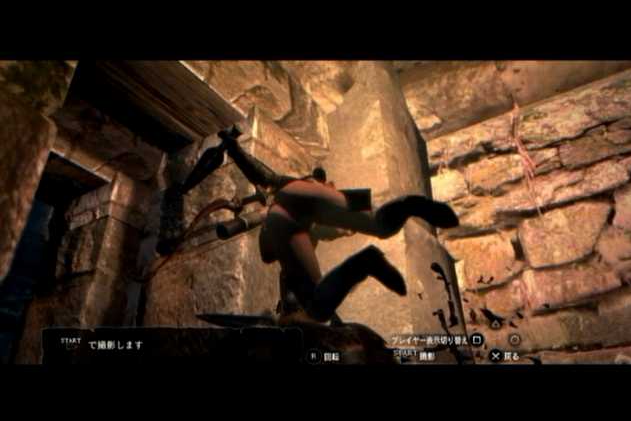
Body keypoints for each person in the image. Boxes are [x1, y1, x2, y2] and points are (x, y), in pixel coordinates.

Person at [181, 126, 460, 324]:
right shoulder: (308, 204)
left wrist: (235, 149)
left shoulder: (302, 203)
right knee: (379, 225)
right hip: (303, 217)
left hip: (300, 219)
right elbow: (265, 176)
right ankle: (405, 210)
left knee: (320, 304)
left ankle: (379, 245)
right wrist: (234, 149)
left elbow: (265, 177)